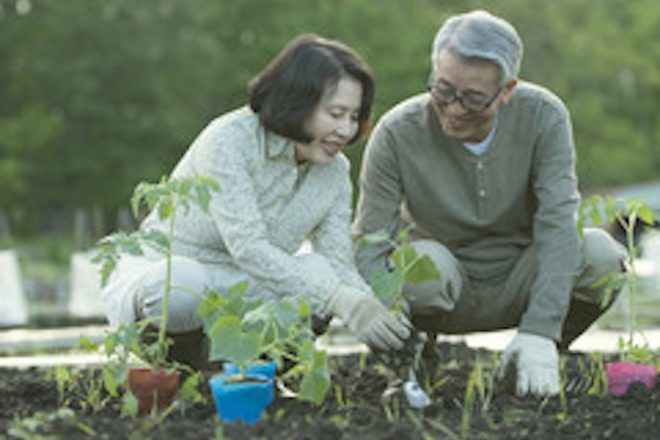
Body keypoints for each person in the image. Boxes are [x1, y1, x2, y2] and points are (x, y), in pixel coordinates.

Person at [352, 10, 627, 397]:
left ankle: (531, 359)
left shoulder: (544, 117)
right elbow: (369, 242)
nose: (453, 108)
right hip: (442, 286)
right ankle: (414, 361)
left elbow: (558, 223)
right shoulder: (397, 132)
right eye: (443, 90)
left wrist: (541, 331)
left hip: (520, 277)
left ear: (507, 90)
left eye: (473, 98)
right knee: (417, 268)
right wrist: (386, 326)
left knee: (602, 256)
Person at [101, 34, 410, 368]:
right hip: (170, 282)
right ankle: (188, 381)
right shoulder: (229, 140)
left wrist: (372, 310)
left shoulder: (334, 172)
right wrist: (339, 299)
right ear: (297, 101)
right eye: (336, 114)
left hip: (249, 290)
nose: (346, 130)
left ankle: (254, 377)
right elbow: (247, 246)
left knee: (320, 274)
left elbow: (337, 262)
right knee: (180, 284)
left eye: (354, 117)